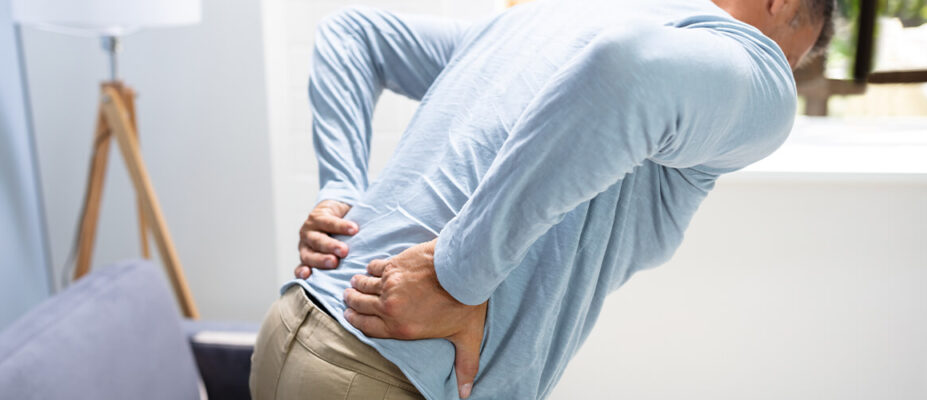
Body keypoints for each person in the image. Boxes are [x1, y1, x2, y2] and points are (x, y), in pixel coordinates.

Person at [250, 0, 834, 398]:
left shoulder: (550, 13)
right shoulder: (754, 67)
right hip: (393, 373)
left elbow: (354, 33)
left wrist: (341, 190)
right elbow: (631, 73)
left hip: (293, 329)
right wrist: (455, 276)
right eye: (791, 57)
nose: (779, 73)